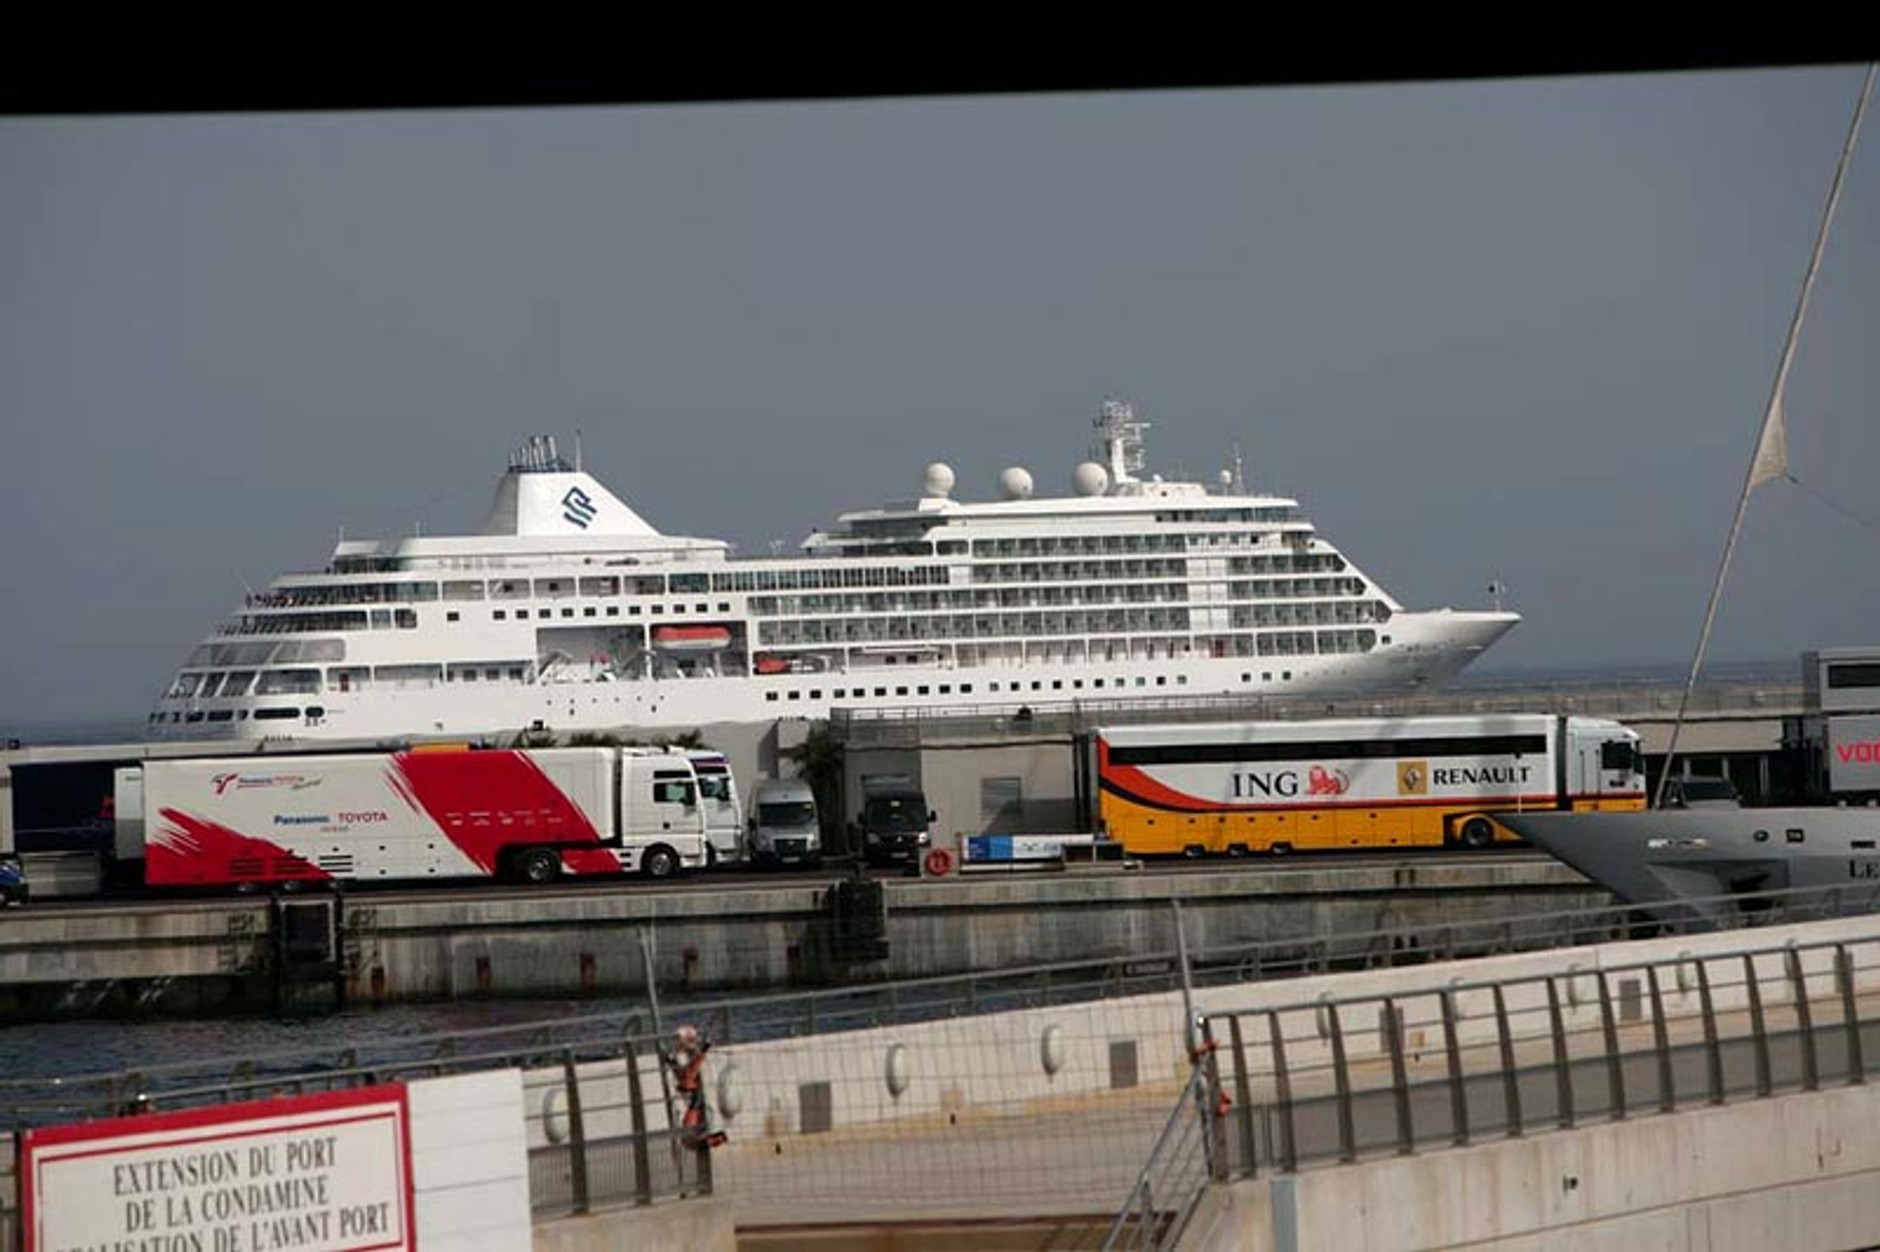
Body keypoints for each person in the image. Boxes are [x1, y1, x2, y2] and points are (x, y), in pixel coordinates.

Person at [664, 1025, 727, 1149]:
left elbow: (687, 1079)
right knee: (689, 1082)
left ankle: (674, 1060)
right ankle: (675, 1059)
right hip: (696, 1119)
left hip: (694, 1122)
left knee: (688, 1083)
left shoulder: (692, 1133)